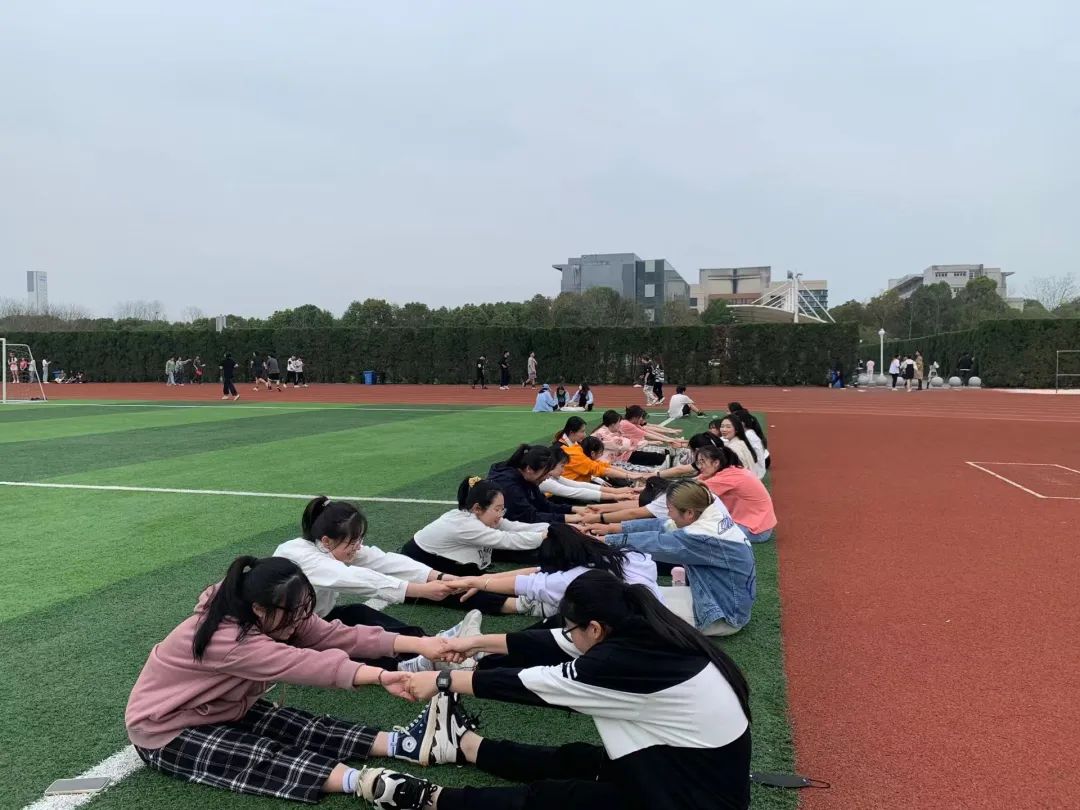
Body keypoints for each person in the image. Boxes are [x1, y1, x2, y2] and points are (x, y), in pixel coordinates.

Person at [361, 569, 752, 810]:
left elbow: (531, 685)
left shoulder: (617, 665)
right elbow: (551, 642)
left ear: (595, 628)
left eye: (572, 626)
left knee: (555, 799)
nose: (567, 634)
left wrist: (442, 680)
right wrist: (474, 643)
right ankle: (466, 746)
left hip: (690, 798)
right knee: (578, 759)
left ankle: (429, 800)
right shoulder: (643, 629)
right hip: (685, 770)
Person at [124, 556, 467, 804]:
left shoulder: (280, 613)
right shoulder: (227, 639)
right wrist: (380, 676)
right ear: (260, 610)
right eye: (295, 613)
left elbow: (340, 636)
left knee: (298, 724)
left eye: (305, 609)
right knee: (259, 756)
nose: (301, 620)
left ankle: (404, 743)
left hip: (219, 707)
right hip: (165, 730)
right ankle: (368, 784)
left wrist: (421, 644)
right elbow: (303, 664)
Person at [274, 498, 470, 655]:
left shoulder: (328, 547)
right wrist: (419, 590)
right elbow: (356, 578)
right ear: (327, 541)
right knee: (355, 641)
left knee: (358, 613)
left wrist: (438, 576)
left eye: (360, 539)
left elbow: (383, 560)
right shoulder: (303, 556)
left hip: (315, 620)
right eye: (353, 542)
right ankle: (427, 652)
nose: (358, 547)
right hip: (288, 635)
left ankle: (430, 641)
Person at [593, 480, 756, 636]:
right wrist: (613, 529)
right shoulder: (710, 515)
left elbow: (656, 542)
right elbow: (662, 525)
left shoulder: (702, 535)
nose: (668, 514)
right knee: (633, 594)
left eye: (670, 509)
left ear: (689, 513)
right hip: (719, 598)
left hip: (723, 616)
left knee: (627, 611)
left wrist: (606, 541)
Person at [400, 478, 548, 615]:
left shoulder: (478, 515)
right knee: (463, 592)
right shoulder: (465, 525)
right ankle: (526, 605)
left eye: (502, 509)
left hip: (449, 566)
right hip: (418, 570)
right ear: (477, 508)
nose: (501, 514)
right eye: (497, 509)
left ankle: (533, 590)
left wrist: (551, 529)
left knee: (483, 582)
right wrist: (543, 536)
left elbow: (514, 527)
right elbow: (507, 540)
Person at [452, 523, 661, 619]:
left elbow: (528, 583)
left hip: (626, 637)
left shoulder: (572, 580)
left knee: (552, 616)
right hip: (653, 621)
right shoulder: (630, 557)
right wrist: (484, 579)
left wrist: (475, 582)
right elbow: (537, 572)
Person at [486, 445, 588, 526]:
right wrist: (572, 518)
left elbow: (543, 505)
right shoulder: (508, 486)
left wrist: (574, 509)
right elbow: (529, 518)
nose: (547, 477)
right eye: (546, 473)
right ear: (529, 469)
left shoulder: (528, 478)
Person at [694, 445, 776, 543]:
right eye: (698, 463)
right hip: (760, 526)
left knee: (700, 531)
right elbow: (696, 481)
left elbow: (692, 490)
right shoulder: (731, 470)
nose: (700, 467)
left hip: (755, 531)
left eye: (702, 462)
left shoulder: (727, 477)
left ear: (716, 463)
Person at [727, 402, 770, 469]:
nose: (727, 412)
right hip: (765, 458)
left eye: (728, 411)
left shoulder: (745, 434)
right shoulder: (752, 419)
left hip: (759, 462)